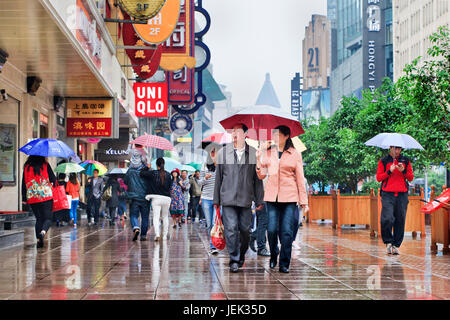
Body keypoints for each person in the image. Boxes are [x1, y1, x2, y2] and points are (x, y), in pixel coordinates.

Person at [256, 126, 309, 273]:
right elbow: (261, 175)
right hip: (272, 197)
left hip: (290, 197)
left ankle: (284, 263)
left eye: (277, 134)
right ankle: (274, 254)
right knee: (271, 229)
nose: (274, 136)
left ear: (286, 136)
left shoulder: (295, 154)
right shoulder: (268, 152)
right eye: (273, 134)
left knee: (286, 232)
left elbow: (300, 178)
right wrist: (259, 157)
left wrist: (304, 202)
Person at [213, 124, 265, 273]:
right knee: (230, 228)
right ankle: (234, 260)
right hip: (227, 198)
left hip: (246, 198)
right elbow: (218, 178)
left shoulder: (254, 153)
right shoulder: (223, 153)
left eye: (238, 131)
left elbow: (257, 179)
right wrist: (216, 200)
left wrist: (259, 199)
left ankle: (241, 254)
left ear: (245, 134)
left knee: (245, 230)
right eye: (233, 131)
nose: (235, 134)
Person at [376, 145, 414, 255]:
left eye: (399, 149)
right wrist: (389, 171)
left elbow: (410, 177)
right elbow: (379, 178)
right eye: (395, 148)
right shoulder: (383, 161)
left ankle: (396, 245)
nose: (397, 151)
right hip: (387, 194)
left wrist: (403, 170)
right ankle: (388, 241)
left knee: (400, 219)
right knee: (387, 218)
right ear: (390, 148)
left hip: (402, 194)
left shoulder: (405, 160)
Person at [21, 155, 56, 248]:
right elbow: (53, 179)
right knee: (48, 218)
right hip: (46, 196)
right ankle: (43, 233)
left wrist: (24, 198)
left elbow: (23, 182)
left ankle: (38, 240)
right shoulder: (45, 165)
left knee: (39, 219)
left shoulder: (27, 166)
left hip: (32, 197)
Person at [141, 157, 172, 241]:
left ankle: (157, 234)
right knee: (165, 217)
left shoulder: (153, 173)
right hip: (167, 198)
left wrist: (147, 167)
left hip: (156, 198)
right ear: (164, 164)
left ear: (156, 165)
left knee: (156, 217)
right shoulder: (169, 175)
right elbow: (170, 186)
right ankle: (165, 236)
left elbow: (142, 173)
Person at [198, 147, 220, 255]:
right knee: (209, 224)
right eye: (211, 152)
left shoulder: (222, 166)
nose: (213, 153)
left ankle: (215, 245)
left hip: (217, 199)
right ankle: (212, 245)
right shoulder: (204, 166)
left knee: (215, 223)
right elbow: (199, 183)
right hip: (206, 198)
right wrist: (205, 178)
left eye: (214, 152)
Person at [124, 163, 150, 241]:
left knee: (133, 215)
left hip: (133, 197)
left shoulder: (130, 171)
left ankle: (136, 227)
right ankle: (143, 235)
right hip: (145, 198)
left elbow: (125, 181)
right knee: (145, 217)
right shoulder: (147, 171)